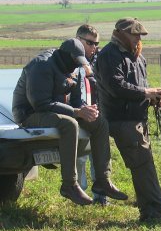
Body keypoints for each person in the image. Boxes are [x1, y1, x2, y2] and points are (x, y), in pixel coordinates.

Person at [12, 38, 128, 205]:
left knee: (100, 123)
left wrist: (87, 110)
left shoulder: (77, 68)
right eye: (74, 61)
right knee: (69, 124)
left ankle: (102, 181)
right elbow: (40, 104)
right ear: (65, 55)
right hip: (30, 115)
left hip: (58, 113)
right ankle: (70, 184)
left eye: (79, 62)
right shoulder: (41, 65)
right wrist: (76, 112)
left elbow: (77, 101)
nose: (76, 65)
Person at [94, 17, 161, 222]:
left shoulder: (138, 58)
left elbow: (137, 86)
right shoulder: (110, 55)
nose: (137, 39)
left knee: (144, 165)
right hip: (121, 120)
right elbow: (115, 86)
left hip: (136, 117)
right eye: (133, 34)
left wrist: (151, 100)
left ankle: (154, 209)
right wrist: (146, 92)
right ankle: (154, 209)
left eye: (139, 35)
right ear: (119, 33)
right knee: (143, 165)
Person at [72, 24, 109, 205]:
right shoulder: (69, 59)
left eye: (97, 43)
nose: (94, 47)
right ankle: (81, 194)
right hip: (77, 114)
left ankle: (100, 194)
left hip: (97, 113)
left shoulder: (99, 60)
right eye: (90, 43)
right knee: (80, 156)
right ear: (78, 40)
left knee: (99, 154)